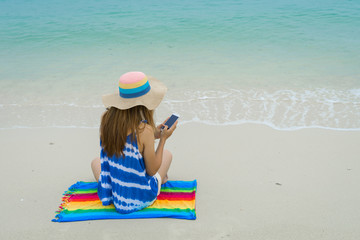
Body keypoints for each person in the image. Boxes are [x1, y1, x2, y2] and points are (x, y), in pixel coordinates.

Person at [91, 71, 177, 214]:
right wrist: (163, 139)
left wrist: (155, 133)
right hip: (141, 198)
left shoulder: (106, 121)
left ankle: (122, 184)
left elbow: (127, 142)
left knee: (95, 162)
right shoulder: (144, 130)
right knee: (167, 155)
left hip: (114, 195)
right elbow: (151, 170)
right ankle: (161, 180)